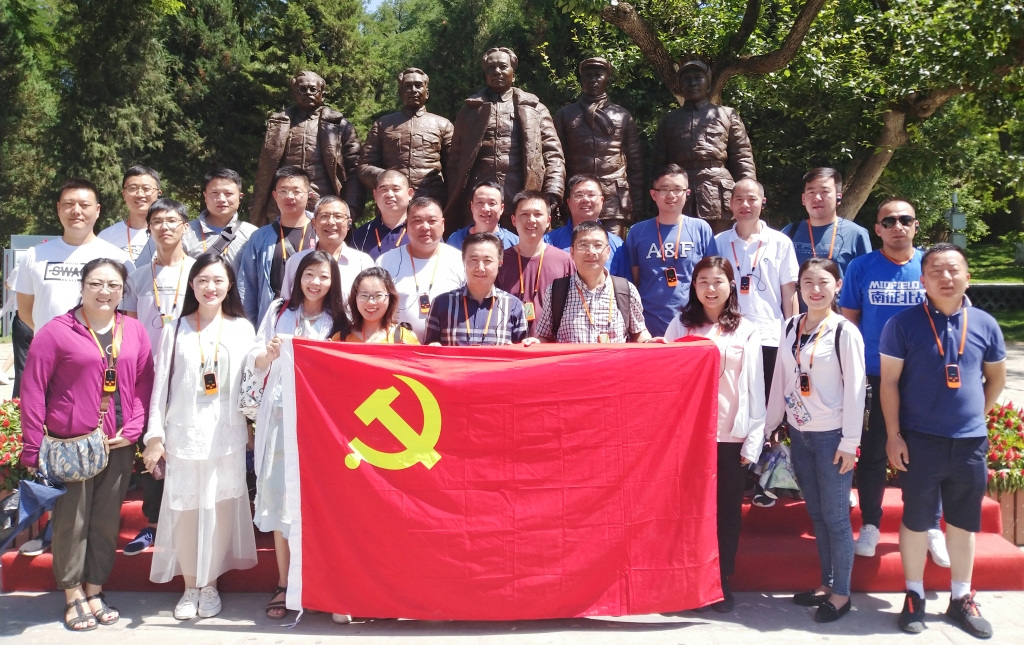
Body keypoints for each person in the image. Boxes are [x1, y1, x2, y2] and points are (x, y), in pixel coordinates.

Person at [20, 258, 154, 631]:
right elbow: (32, 391)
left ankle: (95, 588)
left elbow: (144, 382)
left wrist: (136, 426)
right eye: (96, 283)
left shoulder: (135, 331)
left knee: (106, 520)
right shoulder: (56, 332)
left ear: (122, 290)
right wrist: (32, 447)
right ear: (82, 286)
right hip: (71, 442)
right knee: (71, 521)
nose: (105, 291)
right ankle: (72, 593)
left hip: (118, 441)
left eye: (113, 285)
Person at [881, 244, 1006, 638]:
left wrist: (973, 419)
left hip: (969, 444)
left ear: (968, 276)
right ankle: (914, 595)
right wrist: (894, 435)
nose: (946, 277)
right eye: (936, 270)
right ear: (923, 280)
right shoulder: (902, 324)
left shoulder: (985, 323)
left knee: (963, 525)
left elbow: (996, 379)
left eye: (954, 269)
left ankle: (961, 597)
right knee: (917, 521)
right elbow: (888, 383)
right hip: (920, 441)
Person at [142, 254, 258, 620]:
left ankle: (209, 585)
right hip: (184, 429)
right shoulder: (175, 328)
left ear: (229, 286)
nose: (211, 287)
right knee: (186, 508)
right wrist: (155, 435)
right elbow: (160, 385)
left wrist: (254, 424)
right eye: (203, 280)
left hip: (227, 430)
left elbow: (252, 382)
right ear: (192, 285)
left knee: (222, 505)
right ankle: (190, 585)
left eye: (218, 281)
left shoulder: (242, 328)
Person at [838, 199, 948, 565]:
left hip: (923, 376)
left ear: (916, 226)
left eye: (905, 220)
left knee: (926, 454)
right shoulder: (861, 267)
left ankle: (930, 524)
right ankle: (870, 523)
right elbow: (849, 320)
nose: (897, 226)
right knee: (871, 454)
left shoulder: (930, 266)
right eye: (889, 221)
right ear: (878, 229)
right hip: (874, 374)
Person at [246, 251, 347, 620]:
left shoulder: (339, 320)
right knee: (278, 494)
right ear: (297, 276)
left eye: (323, 276)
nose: (315, 282)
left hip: (318, 422)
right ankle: (284, 582)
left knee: (317, 502)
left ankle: (320, 580)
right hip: (278, 415)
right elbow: (254, 358)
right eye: (309, 274)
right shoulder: (278, 311)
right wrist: (267, 355)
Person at [766, 258, 866, 623]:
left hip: (832, 437)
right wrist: (772, 423)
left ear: (837, 286)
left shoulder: (844, 331)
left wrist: (850, 443)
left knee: (837, 518)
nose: (815, 289)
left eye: (823, 282)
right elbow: (781, 377)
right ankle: (826, 584)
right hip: (800, 433)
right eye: (807, 282)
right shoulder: (791, 326)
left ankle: (841, 594)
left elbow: (856, 390)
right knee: (818, 515)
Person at [664, 256, 765, 613]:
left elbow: (754, 387)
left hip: (728, 435)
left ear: (731, 286)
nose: (711, 288)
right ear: (694, 286)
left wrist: (753, 438)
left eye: (718, 281)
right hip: (688, 436)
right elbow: (665, 380)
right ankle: (685, 580)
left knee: (725, 512)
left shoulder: (747, 329)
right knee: (687, 510)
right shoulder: (681, 325)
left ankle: (721, 581)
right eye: (703, 281)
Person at [121, 198, 196, 557]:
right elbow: (129, 327)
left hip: (191, 372)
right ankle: (152, 525)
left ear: (185, 226)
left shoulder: (200, 271)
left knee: (187, 446)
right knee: (154, 446)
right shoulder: (137, 276)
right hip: (148, 372)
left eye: (172, 221)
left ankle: (187, 523)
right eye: (157, 222)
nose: (165, 228)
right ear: (148, 229)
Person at [445, 47, 564, 229]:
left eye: (502, 66)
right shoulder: (469, 111)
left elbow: (553, 155)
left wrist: (553, 192)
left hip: (522, 197)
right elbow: (455, 160)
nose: (497, 72)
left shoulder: (535, 109)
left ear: (513, 74)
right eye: (491, 68)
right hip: (479, 200)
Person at [714, 178, 798, 399]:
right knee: (733, 398)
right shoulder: (719, 242)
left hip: (769, 334)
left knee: (768, 398)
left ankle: (769, 435)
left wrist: (794, 332)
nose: (745, 205)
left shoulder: (780, 242)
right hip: (728, 333)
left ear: (763, 202)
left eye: (752, 199)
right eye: (739, 199)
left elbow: (789, 291)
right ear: (730, 204)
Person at [16, 179, 132, 337]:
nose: (76, 211)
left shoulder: (118, 259)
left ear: (97, 210)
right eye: (69, 204)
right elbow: (25, 312)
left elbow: (128, 313)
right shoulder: (35, 255)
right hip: (49, 352)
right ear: (58, 208)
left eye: (84, 205)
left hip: (100, 353)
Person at [251, 70, 363, 225]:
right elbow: (264, 170)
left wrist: (351, 209)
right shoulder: (278, 125)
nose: (308, 93)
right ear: (294, 94)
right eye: (302, 89)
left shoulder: (341, 126)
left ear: (322, 94)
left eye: (313, 89)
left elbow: (354, 170)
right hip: (282, 206)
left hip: (324, 205)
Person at [652, 59, 756, 225]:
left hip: (718, 195)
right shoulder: (669, 121)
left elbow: (742, 157)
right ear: (680, 87)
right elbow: (659, 165)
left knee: (719, 249)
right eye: (687, 79)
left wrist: (750, 193)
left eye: (698, 78)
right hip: (680, 195)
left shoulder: (727, 115)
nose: (692, 83)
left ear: (708, 84)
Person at [553, 57, 644, 239]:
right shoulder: (565, 115)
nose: (593, 79)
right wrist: (558, 201)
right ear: (581, 80)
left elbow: (635, 164)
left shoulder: (623, 116)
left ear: (607, 78)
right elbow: (556, 161)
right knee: (576, 248)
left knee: (613, 250)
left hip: (613, 196)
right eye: (588, 76)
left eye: (598, 75)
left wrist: (639, 203)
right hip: (578, 197)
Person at [626, 165, 719, 337]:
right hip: (648, 325)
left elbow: (713, 276)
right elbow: (634, 281)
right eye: (664, 189)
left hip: (693, 322)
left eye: (678, 189)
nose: (671, 195)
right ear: (653, 194)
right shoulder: (637, 232)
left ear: (687, 193)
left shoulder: (701, 228)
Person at [535, 221, 652, 344]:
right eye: (583, 245)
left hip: (613, 363)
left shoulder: (626, 290)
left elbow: (639, 332)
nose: (591, 252)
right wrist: (536, 343)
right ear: (572, 252)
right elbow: (544, 336)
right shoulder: (556, 291)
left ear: (608, 252)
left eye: (597, 245)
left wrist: (649, 342)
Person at [357, 67, 453, 203]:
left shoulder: (443, 125)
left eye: (418, 86)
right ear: (400, 93)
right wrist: (388, 179)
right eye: (407, 86)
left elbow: (454, 169)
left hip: (432, 202)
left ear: (427, 93)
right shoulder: (382, 124)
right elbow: (364, 166)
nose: (413, 90)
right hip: (392, 203)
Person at [375, 197, 465, 342]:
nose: (425, 227)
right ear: (406, 226)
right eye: (417, 221)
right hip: (399, 348)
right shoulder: (385, 261)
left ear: (442, 224)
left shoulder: (461, 261)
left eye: (432, 221)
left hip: (448, 349)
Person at [238, 166, 318, 327]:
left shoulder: (320, 232)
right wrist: (248, 326)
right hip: (272, 317)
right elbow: (247, 286)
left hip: (315, 317)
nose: (289, 196)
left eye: (296, 191)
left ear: (308, 195)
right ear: (275, 195)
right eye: (283, 191)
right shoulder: (260, 237)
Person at [424, 232, 530, 346]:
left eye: (487, 261)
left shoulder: (514, 307)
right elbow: (428, 354)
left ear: (500, 262)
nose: (480, 268)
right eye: (474, 259)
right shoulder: (441, 304)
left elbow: (523, 357)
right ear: (463, 261)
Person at [495, 190, 573, 337]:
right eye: (524, 214)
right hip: (510, 346)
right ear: (513, 220)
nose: (531, 220)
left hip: (551, 348)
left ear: (549, 221)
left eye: (538, 214)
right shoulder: (500, 261)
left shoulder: (564, 261)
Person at [781, 168, 871, 280]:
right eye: (811, 192)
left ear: (838, 197)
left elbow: (867, 278)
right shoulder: (789, 232)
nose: (817, 198)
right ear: (803, 199)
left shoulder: (856, 234)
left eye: (825, 192)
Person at [280, 196, 373, 302]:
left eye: (338, 216)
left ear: (349, 223)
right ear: (314, 223)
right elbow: (286, 303)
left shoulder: (363, 262)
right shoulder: (297, 261)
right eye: (324, 216)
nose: (331, 222)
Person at [544, 174, 630, 278]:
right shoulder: (549, 241)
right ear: (569, 202)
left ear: (602, 201)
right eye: (579, 195)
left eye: (591, 195)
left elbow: (624, 287)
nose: (585, 200)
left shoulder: (616, 245)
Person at [181, 168, 258, 271]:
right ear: (205, 196)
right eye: (214, 193)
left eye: (228, 194)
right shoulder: (186, 232)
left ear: (240, 197)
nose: (221, 199)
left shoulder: (252, 234)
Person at [96, 166, 161, 265]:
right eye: (132, 188)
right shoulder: (107, 236)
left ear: (158, 193)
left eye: (146, 188)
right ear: (124, 194)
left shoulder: (171, 233)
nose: (140, 194)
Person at [339, 267, 419, 344]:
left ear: (390, 298)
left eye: (378, 296)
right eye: (364, 295)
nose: (371, 302)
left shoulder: (404, 337)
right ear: (354, 298)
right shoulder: (341, 338)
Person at [352, 170, 413, 260]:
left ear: (410, 194)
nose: (389, 194)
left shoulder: (423, 230)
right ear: (375, 195)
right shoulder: (362, 234)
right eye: (384, 189)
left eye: (396, 189)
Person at [445, 181, 520, 250]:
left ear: (501, 208)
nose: (486, 209)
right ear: (472, 206)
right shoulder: (456, 240)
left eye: (492, 203)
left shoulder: (515, 243)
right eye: (480, 202)